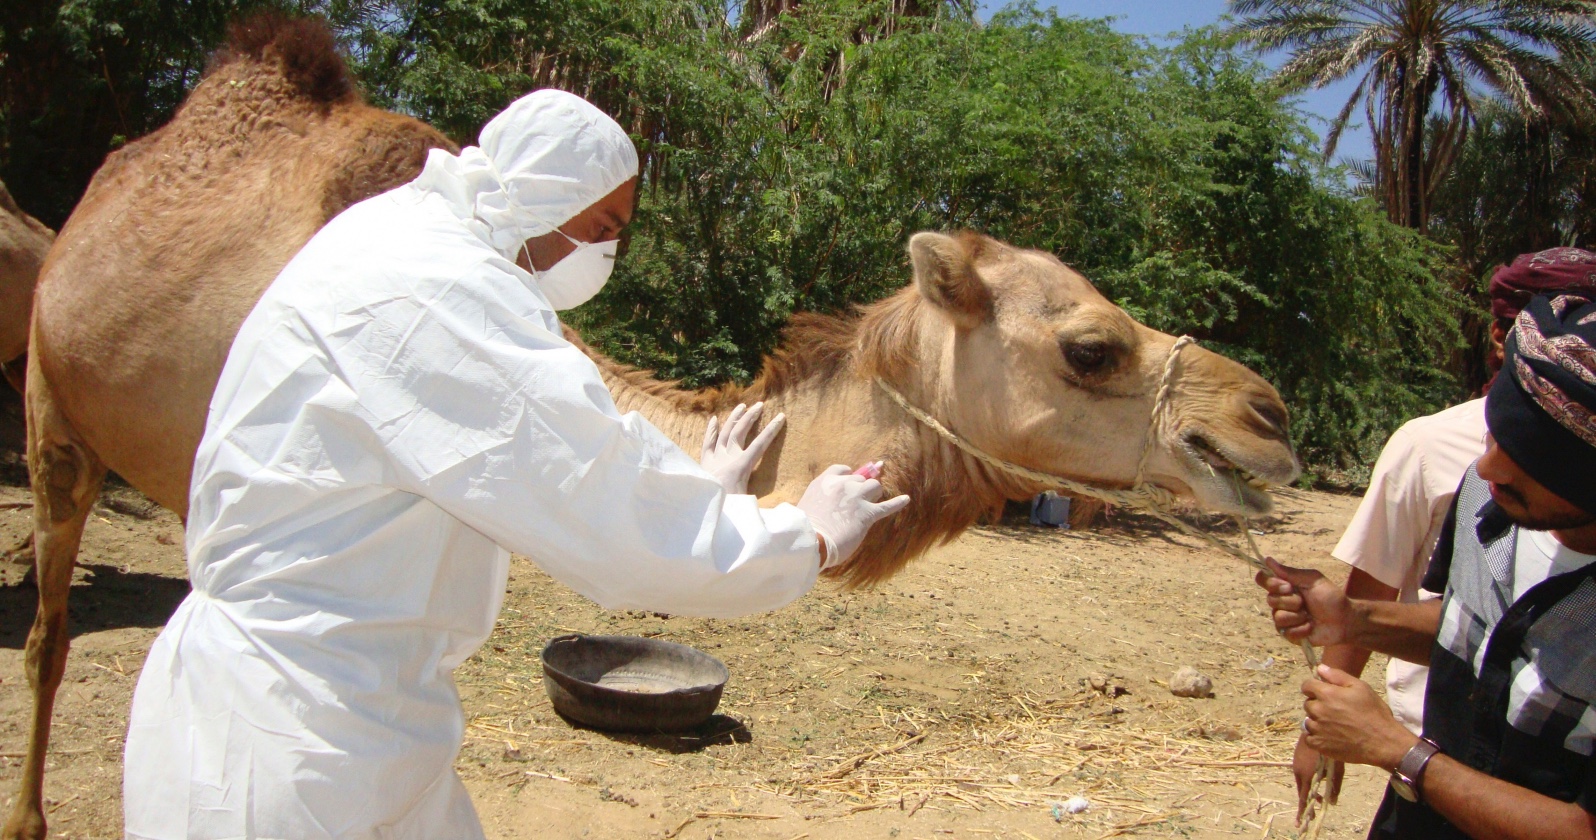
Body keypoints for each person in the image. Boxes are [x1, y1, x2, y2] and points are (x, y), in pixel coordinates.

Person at [121, 89, 910, 840]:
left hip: (355, 717)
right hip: (291, 741)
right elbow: (592, 496)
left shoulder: (413, 243)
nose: (606, 250)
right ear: (543, 190)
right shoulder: (436, 290)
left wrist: (695, 493)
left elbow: (535, 464)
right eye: (600, 223)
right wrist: (801, 535)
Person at [1258, 291, 1596, 839]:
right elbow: (1475, 627)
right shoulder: (1488, 499)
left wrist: (1397, 751)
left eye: (1527, 458)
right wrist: (1354, 619)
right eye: (1492, 435)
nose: (1486, 466)